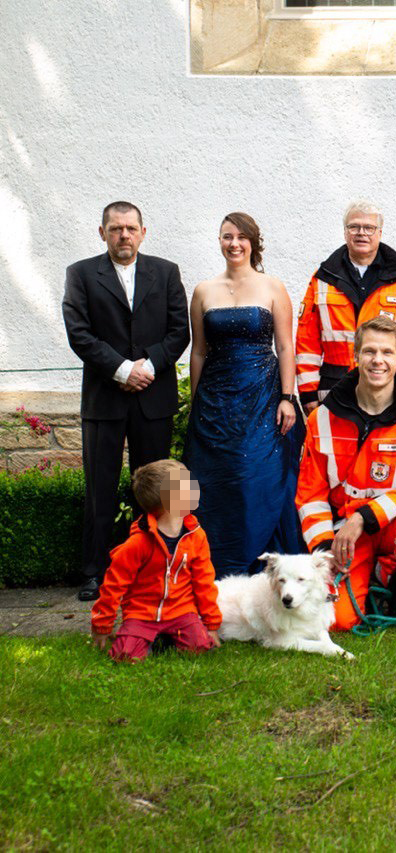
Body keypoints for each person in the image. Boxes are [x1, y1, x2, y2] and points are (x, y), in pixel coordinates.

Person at [62, 201, 191, 601]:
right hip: (105, 397)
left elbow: (179, 330)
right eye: (116, 229)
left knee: (154, 489)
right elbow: (78, 332)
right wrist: (121, 369)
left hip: (153, 397)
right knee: (100, 487)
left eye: (131, 228)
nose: (124, 235)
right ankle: (95, 573)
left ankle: (151, 568)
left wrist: (147, 366)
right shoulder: (81, 274)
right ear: (102, 233)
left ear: (143, 232)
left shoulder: (166, 272)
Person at [296, 316, 396, 632]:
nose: (378, 360)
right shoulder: (322, 418)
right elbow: (310, 497)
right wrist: (325, 550)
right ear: (355, 356)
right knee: (338, 622)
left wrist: (364, 517)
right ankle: (373, 575)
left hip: (395, 525)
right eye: (369, 352)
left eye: (387, 353)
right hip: (346, 535)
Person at [184, 212, 304, 577]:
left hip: (262, 399)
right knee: (214, 483)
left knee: (259, 475)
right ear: (219, 241)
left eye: (241, 237)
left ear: (253, 242)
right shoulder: (204, 290)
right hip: (215, 402)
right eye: (226, 236)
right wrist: (195, 402)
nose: (233, 243)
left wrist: (287, 397)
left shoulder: (272, 287)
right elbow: (199, 351)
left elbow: (285, 347)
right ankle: (213, 568)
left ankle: (264, 566)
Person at [90, 459, 221, 662]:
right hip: (141, 613)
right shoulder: (137, 543)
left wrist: (211, 625)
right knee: (125, 656)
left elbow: (205, 582)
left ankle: (166, 638)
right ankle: (148, 638)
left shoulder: (196, 536)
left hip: (182, 611)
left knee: (201, 647)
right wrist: (102, 625)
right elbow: (113, 585)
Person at [296, 201, 396, 411]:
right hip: (333, 389)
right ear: (345, 233)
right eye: (354, 227)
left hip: (388, 389)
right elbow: (307, 342)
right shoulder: (323, 281)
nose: (361, 233)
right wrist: (308, 392)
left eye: (369, 228)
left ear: (380, 233)